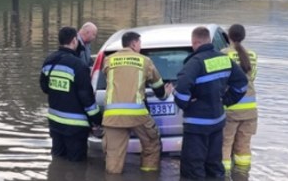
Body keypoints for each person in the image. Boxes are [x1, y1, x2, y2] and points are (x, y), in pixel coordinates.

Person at [174, 26, 248, 179]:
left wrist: (187, 104)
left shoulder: (194, 63)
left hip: (196, 125)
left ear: (194, 42)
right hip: (217, 122)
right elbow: (242, 84)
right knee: (214, 166)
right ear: (209, 40)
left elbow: (181, 91)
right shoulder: (224, 59)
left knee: (193, 169)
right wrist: (225, 100)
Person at [101, 31, 173, 174]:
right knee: (151, 144)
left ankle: (113, 177)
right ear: (134, 44)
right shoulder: (145, 61)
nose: (140, 47)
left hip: (112, 116)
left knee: (113, 156)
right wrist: (166, 94)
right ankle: (148, 174)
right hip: (137, 114)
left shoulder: (108, 60)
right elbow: (158, 87)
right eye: (140, 43)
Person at [39, 26, 102, 162]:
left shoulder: (49, 61)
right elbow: (87, 100)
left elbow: (45, 87)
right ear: (74, 40)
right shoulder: (79, 65)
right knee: (76, 166)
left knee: (58, 159)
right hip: (75, 126)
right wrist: (98, 119)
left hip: (55, 123)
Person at [221, 24, 258, 171]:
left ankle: (224, 175)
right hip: (250, 109)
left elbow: (222, 80)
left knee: (225, 144)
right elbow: (252, 78)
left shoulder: (224, 54)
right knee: (244, 147)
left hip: (232, 108)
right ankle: (243, 174)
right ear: (243, 37)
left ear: (229, 36)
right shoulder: (253, 55)